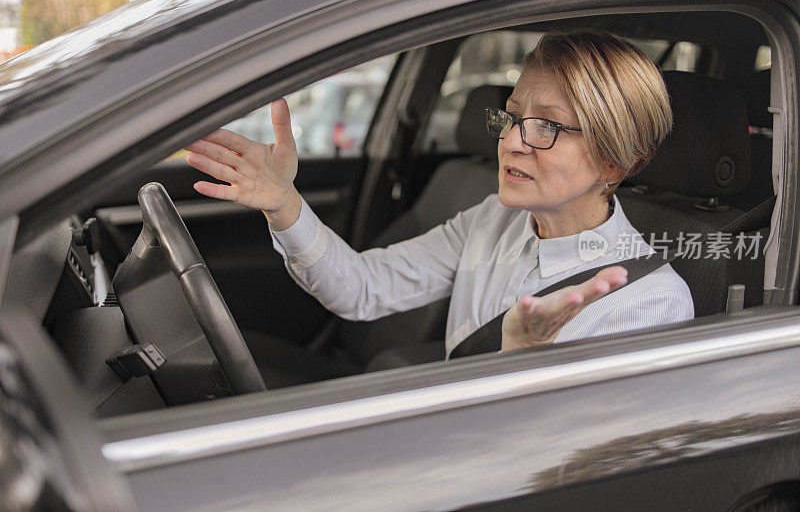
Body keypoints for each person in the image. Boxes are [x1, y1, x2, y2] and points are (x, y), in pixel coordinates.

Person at [185, 30, 694, 359]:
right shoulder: (493, 218)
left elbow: (578, 470)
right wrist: (284, 204)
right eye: (512, 117)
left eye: (547, 127)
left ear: (615, 160)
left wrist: (514, 361)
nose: (511, 141)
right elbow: (363, 288)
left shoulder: (650, 303)